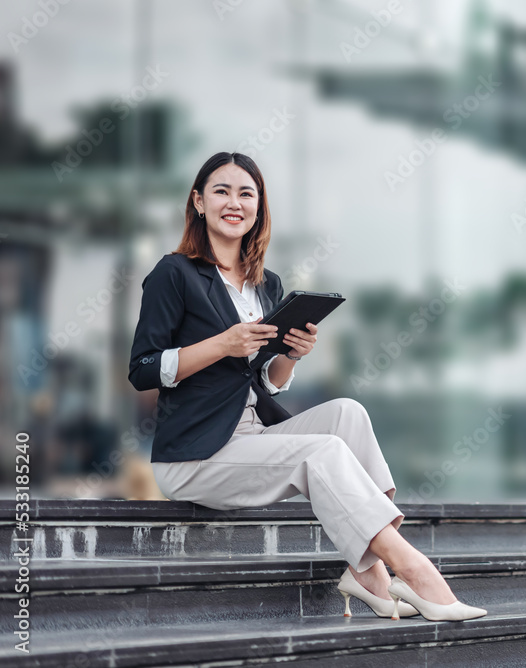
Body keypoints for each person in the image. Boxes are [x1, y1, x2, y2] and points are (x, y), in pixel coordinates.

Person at [128, 151, 485, 622]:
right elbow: (143, 369)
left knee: (348, 414)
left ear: (259, 207)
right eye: (221, 191)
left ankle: (367, 574)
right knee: (323, 452)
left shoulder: (266, 284)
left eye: (246, 193)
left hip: (252, 435)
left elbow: (265, 383)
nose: (234, 202)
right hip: (195, 453)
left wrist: (291, 353)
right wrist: (223, 344)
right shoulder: (174, 273)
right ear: (198, 202)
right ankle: (414, 570)